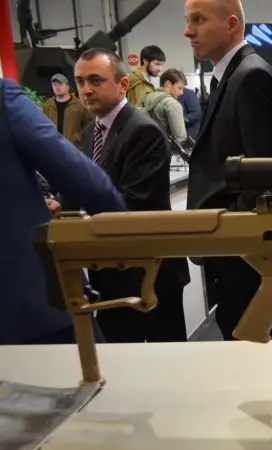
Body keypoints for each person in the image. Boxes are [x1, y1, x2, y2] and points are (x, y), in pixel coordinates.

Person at [184, 0, 272, 341]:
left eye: (198, 20)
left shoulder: (250, 76)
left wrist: (230, 232)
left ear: (232, 24)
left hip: (241, 250)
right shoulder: (231, 77)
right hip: (230, 249)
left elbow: (268, 176)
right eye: (188, 20)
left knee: (255, 342)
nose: (187, 31)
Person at [74, 49, 190, 343]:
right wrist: (63, 201)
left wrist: (78, 213)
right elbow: (89, 183)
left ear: (123, 84)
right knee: (119, 361)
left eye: (96, 80)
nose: (86, 89)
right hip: (111, 272)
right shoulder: (90, 133)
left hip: (149, 272)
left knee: (166, 362)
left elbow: (132, 204)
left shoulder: (143, 131)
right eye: (81, 81)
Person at [0, 78, 125, 345]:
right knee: (90, 369)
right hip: (31, 303)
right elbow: (87, 182)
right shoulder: (4, 99)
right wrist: (128, 242)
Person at [41, 74, 92, 146]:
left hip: (72, 147)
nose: (57, 87)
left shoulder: (79, 104)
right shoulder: (48, 104)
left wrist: (78, 138)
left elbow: (90, 125)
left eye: (60, 84)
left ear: (67, 86)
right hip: (53, 146)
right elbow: (43, 124)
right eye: (55, 85)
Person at [140, 68, 189, 142]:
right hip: (164, 147)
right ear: (168, 84)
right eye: (179, 88)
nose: (182, 93)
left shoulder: (145, 98)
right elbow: (180, 138)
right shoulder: (172, 104)